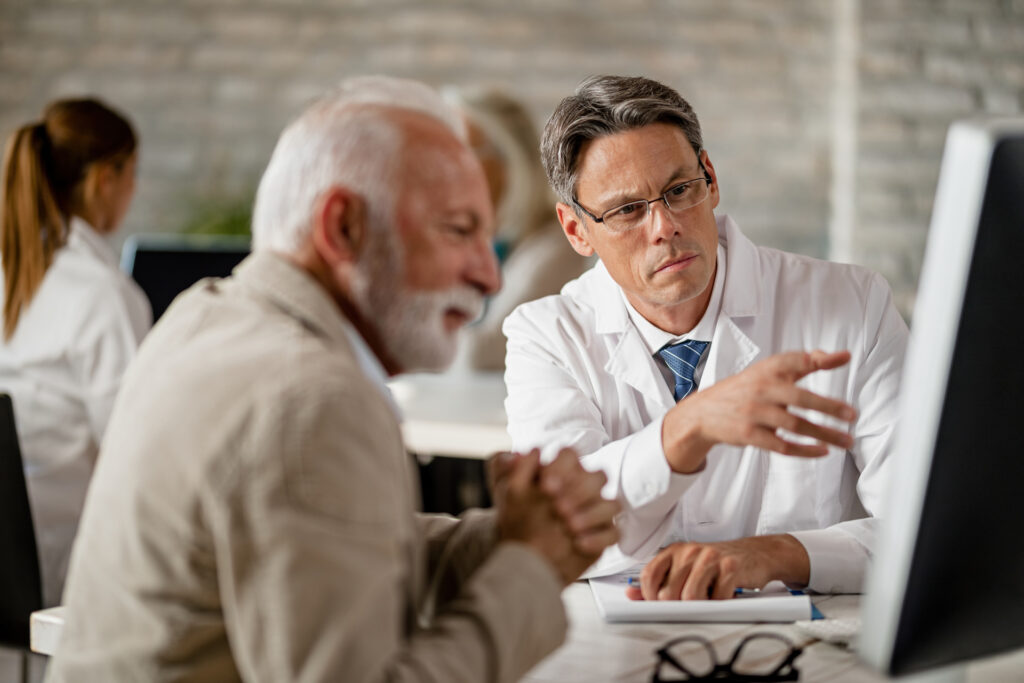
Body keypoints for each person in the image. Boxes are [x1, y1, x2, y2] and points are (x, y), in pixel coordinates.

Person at [46, 76, 620, 682]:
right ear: (343, 227)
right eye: (457, 229)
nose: (489, 276)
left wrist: (507, 537)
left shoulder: (203, 315)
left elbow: (330, 547)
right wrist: (530, 570)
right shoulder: (312, 400)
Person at [503, 75, 909, 600]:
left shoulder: (853, 304)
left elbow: (922, 527)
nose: (664, 226)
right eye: (627, 210)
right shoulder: (546, 336)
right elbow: (560, 537)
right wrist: (687, 428)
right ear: (577, 230)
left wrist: (779, 554)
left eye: (679, 191)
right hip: (625, 643)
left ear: (710, 179)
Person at [0, 98, 151, 608]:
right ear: (105, 179)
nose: (135, 189)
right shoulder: (103, 295)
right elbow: (137, 453)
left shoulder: (9, 271)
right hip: (57, 575)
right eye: (132, 173)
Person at [444, 86, 590, 371]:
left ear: (507, 161)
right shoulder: (490, 242)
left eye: (460, 153)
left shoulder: (558, 245)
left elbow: (486, 353)